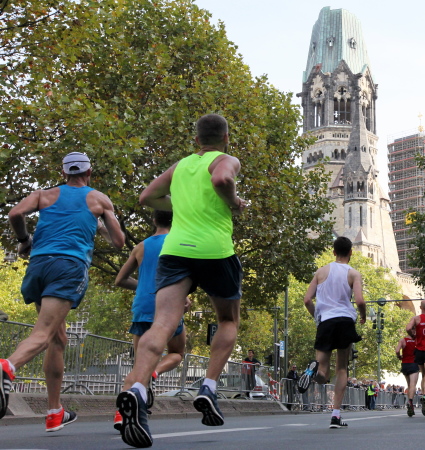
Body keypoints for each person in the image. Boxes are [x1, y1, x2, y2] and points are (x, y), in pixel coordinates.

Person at [117, 114, 247, 448]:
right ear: (226, 137)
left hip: (175, 251)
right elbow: (222, 179)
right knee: (227, 320)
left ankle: (137, 388)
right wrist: (234, 202)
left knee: (161, 324)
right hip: (215, 252)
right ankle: (208, 388)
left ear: (196, 140)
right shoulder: (226, 159)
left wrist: (180, 205)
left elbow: (147, 197)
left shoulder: (181, 166)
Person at [0, 152, 124, 431]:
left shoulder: (43, 195)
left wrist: (24, 239)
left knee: (58, 337)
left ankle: (55, 411)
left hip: (39, 265)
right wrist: (100, 223)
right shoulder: (99, 199)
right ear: (89, 172)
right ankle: (7, 367)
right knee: (44, 333)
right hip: (68, 266)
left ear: (64, 172)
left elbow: (15, 213)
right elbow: (118, 241)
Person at [112, 210, 191, 430]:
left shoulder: (141, 247)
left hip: (143, 307)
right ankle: (155, 371)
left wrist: (145, 286)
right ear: (176, 220)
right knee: (177, 353)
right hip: (168, 307)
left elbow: (120, 279)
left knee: (139, 366)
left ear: (154, 220)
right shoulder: (179, 241)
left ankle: (120, 415)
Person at [297, 236, 366, 428]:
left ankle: (312, 371)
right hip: (345, 320)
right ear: (351, 252)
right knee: (342, 368)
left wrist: (317, 317)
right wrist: (363, 316)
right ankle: (336, 415)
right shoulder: (353, 273)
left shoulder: (320, 272)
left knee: (323, 372)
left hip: (325, 322)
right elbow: (360, 301)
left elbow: (307, 300)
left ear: (334, 252)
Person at [406, 299, 425, 417]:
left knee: (423, 375)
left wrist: (413, 336)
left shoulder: (416, 319)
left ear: (420, 307)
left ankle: (413, 400)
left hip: (419, 350)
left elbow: (408, 328)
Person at [395, 335, 418, 417]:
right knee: (413, 385)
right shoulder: (417, 340)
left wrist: (399, 356)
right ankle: (410, 402)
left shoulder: (403, 340)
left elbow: (397, 350)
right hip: (414, 363)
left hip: (405, 364)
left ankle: (409, 402)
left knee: (409, 385)